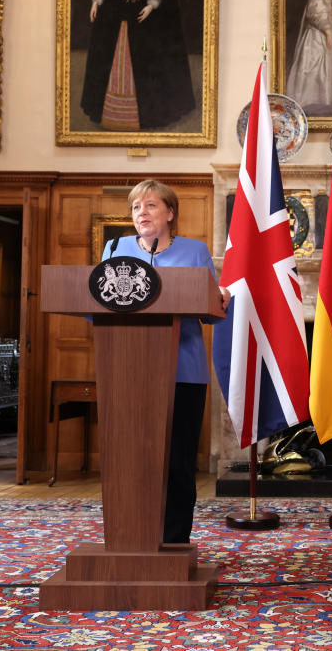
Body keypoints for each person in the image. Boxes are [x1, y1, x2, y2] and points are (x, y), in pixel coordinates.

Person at [101, 179, 230, 544]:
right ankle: (130, 536)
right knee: (129, 459)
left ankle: (174, 540)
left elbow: (211, 313)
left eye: (150, 205)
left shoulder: (194, 251)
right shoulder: (115, 248)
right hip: (127, 371)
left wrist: (219, 298)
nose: (141, 213)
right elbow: (98, 305)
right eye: (136, 207)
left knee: (176, 460)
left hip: (182, 371)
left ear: (170, 213)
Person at [80, 0, 195, 130]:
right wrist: (96, 1)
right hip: (119, 7)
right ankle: (115, 115)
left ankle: (150, 115)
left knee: (151, 52)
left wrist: (152, 5)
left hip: (147, 6)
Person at [287, 0, 332, 112]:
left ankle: (323, 98)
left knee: (325, 64)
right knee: (313, 65)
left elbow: (326, 9)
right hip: (316, 36)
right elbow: (315, 13)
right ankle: (308, 98)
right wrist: (327, 30)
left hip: (324, 32)